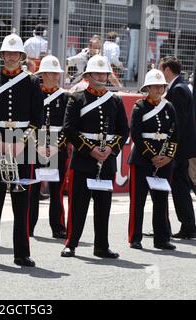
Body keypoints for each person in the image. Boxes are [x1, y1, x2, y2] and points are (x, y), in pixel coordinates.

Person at [0, 33, 43, 267]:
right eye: (8, 53)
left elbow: (38, 119)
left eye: (16, 53)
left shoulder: (33, 82)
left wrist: (21, 142)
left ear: (21, 56)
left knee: (22, 203)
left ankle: (22, 253)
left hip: (22, 145)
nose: (12, 56)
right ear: (2, 55)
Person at [62, 55, 129, 259]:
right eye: (97, 73)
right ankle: (71, 243)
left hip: (106, 160)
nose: (101, 76)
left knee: (104, 206)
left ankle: (101, 246)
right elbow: (69, 128)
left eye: (104, 73)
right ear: (88, 76)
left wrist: (110, 149)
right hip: (83, 159)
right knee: (78, 206)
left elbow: (123, 131)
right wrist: (90, 149)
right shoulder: (77, 98)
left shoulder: (115, 100)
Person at [128, 69, 178, 251]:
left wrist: (168, 157)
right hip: (142, 160)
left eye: (162, 86)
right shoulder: (139, 107)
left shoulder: (169, 107)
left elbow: (175, 134)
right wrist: (152, 156)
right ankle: (135, 237)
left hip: (164, 161)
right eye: (156, 86)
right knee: (137, 202)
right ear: (147, 87)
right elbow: (136, 134)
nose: (159, 89)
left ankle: (162, 238)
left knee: (161, 200)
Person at [29, 55, 68, 239]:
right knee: (32, 188)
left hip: (56, 142)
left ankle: (58, 226)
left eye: (57, 73)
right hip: (35, 142)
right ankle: (28, 225)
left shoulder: (65, 97)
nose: (55, 76)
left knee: (57, 188)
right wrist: (37, 145)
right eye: (51, 73)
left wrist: (56, 146)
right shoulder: (34, 93)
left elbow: (68, 126)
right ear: (42, 74)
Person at [159, 56, 196, 239]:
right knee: (179, 186)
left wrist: (170, 148)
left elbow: (178, 122)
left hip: (178, 148)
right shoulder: (180, 87)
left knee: (180, 187)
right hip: (180, 147)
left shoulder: (179, 89)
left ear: (167, 70)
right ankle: (187, 225)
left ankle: (188, 226)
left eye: (161, 69)